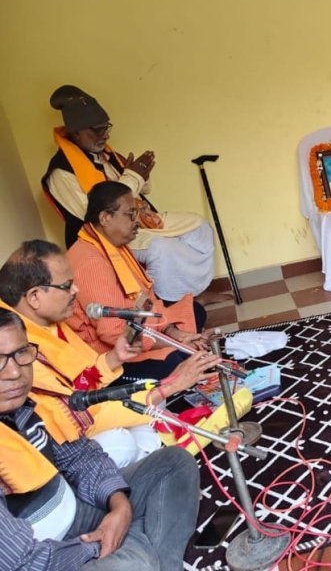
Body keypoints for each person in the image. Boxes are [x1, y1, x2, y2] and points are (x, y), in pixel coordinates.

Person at [0, 308, 201, 570]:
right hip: (48, 555)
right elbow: (25, 562)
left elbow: (80, 456)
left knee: (175, 463)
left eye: (21, 353)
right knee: (133, 563)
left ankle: (153, 556)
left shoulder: (24, 407)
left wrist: (120, 508)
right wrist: (102, 542)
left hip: (76, 512)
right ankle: (143, 551)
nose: (15, 372)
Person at [0, 239, 220, 466]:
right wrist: (170, 386)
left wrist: (114, 358)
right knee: (120, 442)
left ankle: (147, 457)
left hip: (87, 410)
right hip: (59, 440)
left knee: (149, 397)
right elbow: (79, 415)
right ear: (35, 296)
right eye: (67, 286)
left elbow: (84, 379)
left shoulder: (45, 322)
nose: (76, 290)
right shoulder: (16, 348)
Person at [44, 85, 219, 303]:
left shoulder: (105, 155)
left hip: (137, 220)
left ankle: (196, 291)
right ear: (76, 132)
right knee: (161, 248)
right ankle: (169, 303)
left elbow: (142, 191)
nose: (105, 135)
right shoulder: (61, 173)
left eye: (106, 128)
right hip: (108, 237)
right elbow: (97, 214)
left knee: (199, 227)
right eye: (97, 130)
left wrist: (142, 174)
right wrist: (133, 177)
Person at [67, 181, 209, 381]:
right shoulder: (90, 261)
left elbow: (147, 300)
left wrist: (173, 332)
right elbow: (114, 335)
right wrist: (172, 342)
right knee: (178, 359)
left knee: (195, 310)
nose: (138, 221)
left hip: (142, 327)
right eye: (130, 214)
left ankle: (183, 343)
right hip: (113, 354)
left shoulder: (114, 246)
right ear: (105, 218)